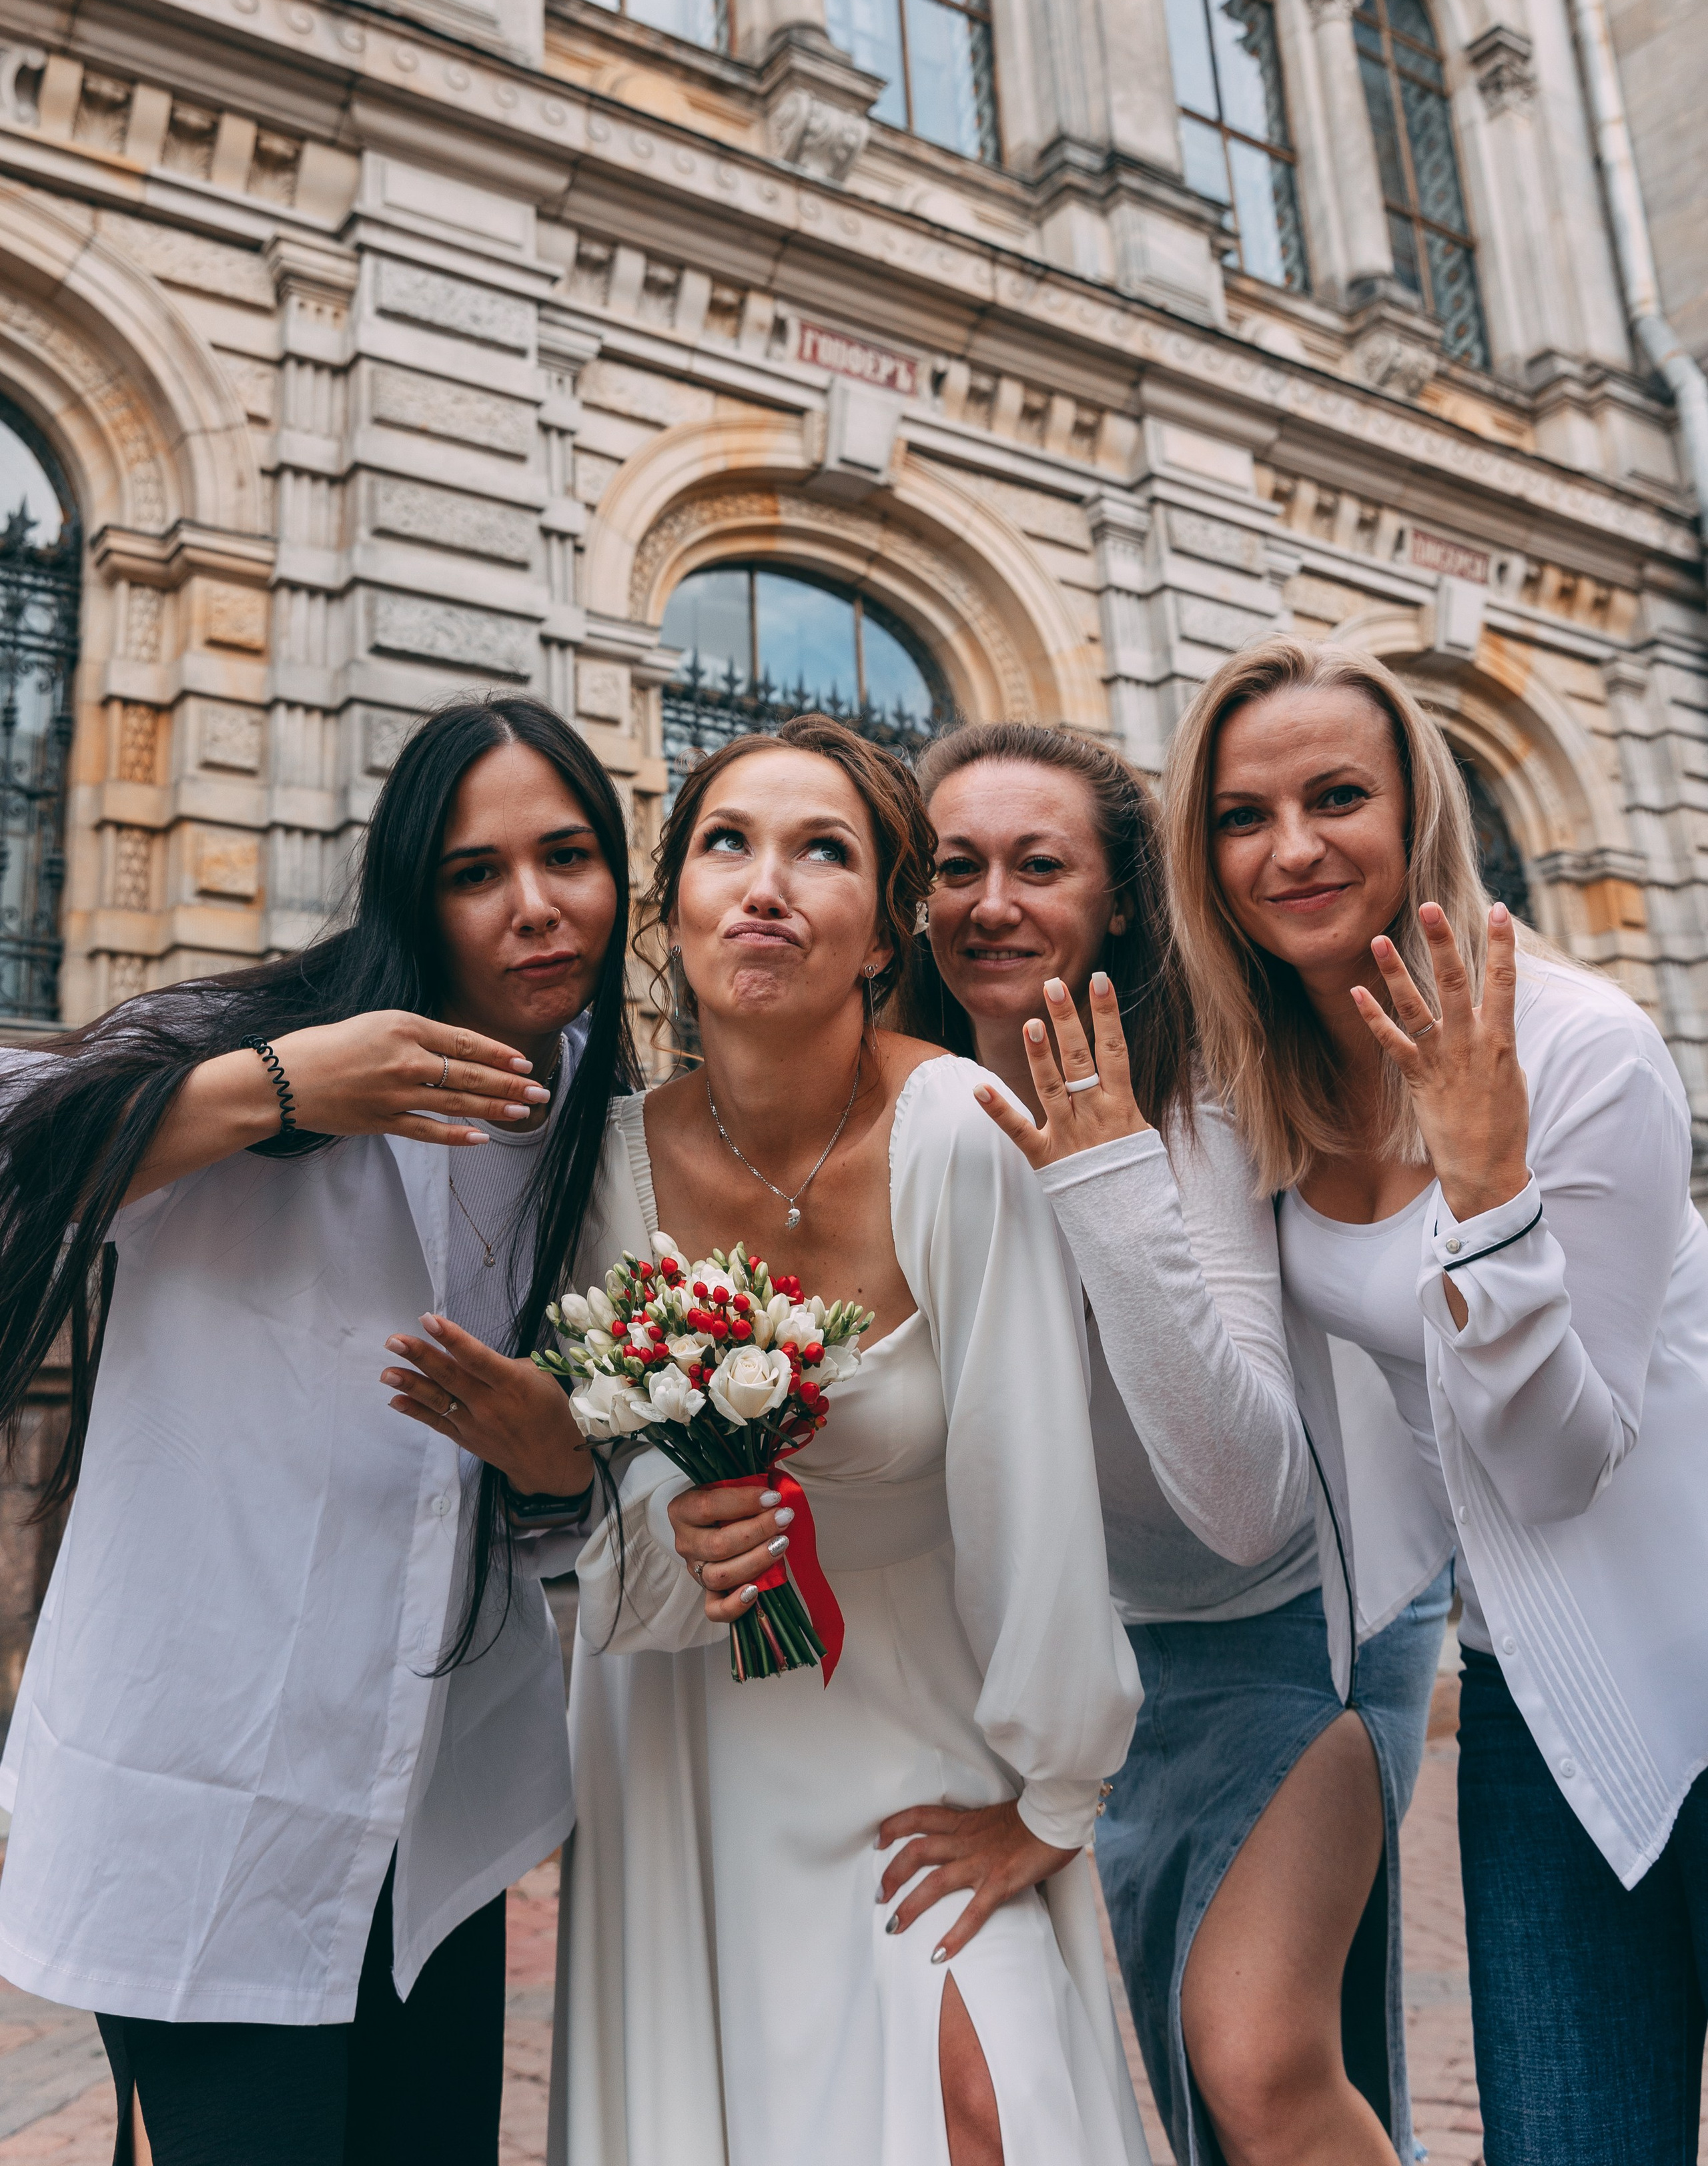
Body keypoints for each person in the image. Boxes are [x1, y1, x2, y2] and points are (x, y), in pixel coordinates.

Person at [407, 712, 1145, 2166]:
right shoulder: (602, 1159)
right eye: (727, 845)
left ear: (883, 930)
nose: (767, 884)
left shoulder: (954, 1130)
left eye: (824, 852)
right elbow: (612, 1517)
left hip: (928, 1749)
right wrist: (661, 1523)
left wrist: (1053, 1796)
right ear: (671, 909)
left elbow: (1034, 1487)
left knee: (984, 2110)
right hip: (695, 1749)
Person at [0, 696, 634, 2166]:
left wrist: (552, 1462)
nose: (536, 908)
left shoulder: (607, 1133)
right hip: (208, 1791)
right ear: (412, 890)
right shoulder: (246, 1046)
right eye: (477, 873)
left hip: (436, 1815)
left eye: (570, 856)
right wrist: (285, 1086)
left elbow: (554, 1512)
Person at [1166, 631, 1708, 2166]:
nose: (1289, 848)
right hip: (1533, 1685)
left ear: (1415, 811)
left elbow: (1554, 1462)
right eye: (1238, 815)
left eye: (1335, 795)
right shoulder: (1247, 1075)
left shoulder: (1580, 1049)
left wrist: (1485, 1187)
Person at [903, 722, 1448, 2166]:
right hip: (1071, 1658)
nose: (990, 902)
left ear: (1120, 899)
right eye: (955, 867)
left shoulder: (1189, 1089)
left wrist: (1101, 1175)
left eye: (1039, 865)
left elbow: (1244, 1498)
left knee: (1256, 2060)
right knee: (1005, 2075)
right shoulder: (899, 1110)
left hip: (1292, 1626)